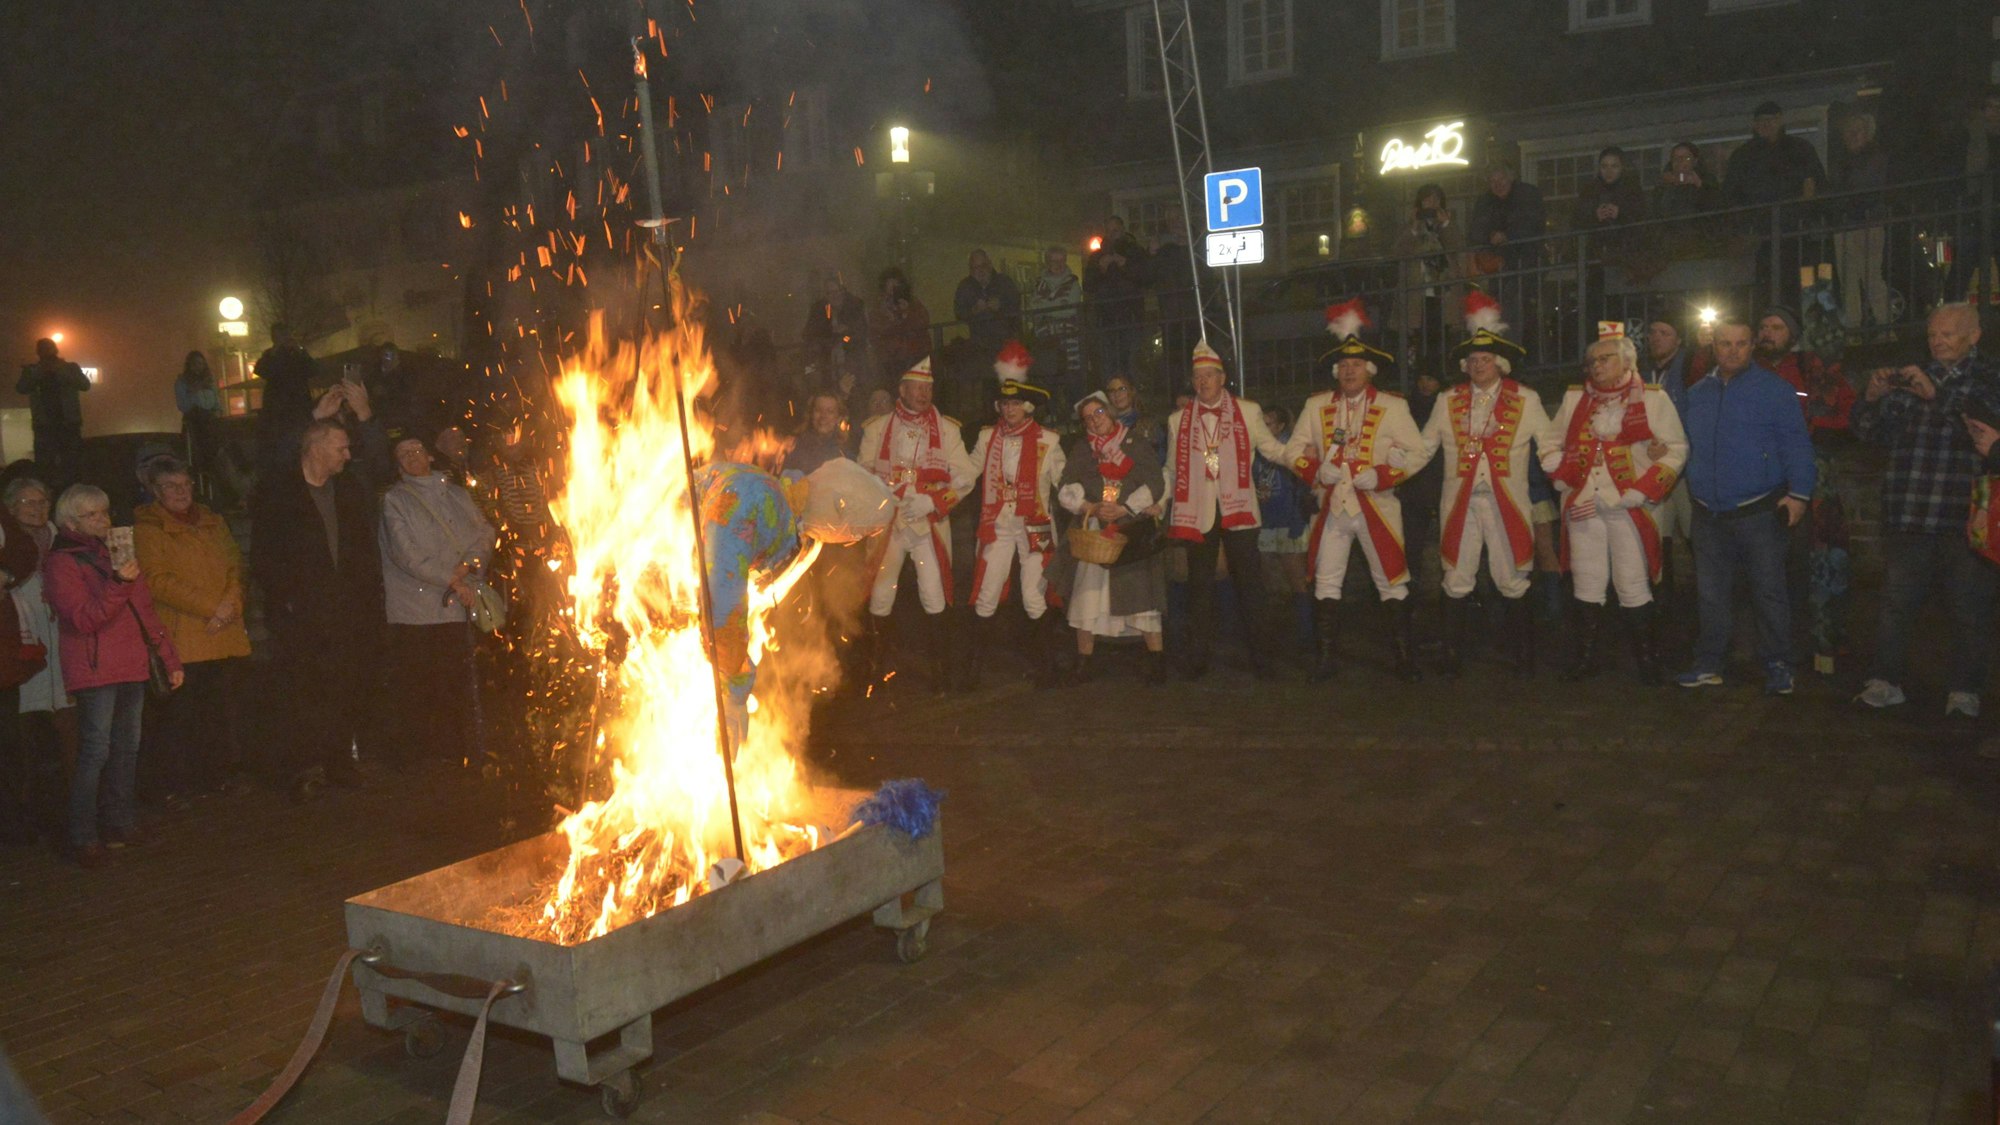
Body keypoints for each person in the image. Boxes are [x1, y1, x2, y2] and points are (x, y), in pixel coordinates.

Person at [1851, 304, 2000, 717]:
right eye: (1933, 334)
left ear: (1974, 336)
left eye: (1948, 334)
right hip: (1910, 511)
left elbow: (1987, 426)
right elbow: (1868, 434)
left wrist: (1938, 395)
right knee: (1897, 604)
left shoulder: (1987, 377)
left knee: (1969, 609)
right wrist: (1872, 398)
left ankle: (1965, 690)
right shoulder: (1913, 376)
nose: (1937, 341)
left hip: (1963, 516)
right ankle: (1886, 680)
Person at [43, 484, 184, 867]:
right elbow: (85, 618)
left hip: (131, 662)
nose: (103, 520)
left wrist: (168, 658)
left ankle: (120, 822)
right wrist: (119, 583)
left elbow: (145, 611)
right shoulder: (62, 563)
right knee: (95, 751)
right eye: (92, 515)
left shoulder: (114, 551)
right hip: (96, 668)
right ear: (70, 521)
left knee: (127, 748)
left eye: (105, 512)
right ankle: (82, 835)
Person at [1284, 304, 1427, 682]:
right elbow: (1291, 450)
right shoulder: (1316, 406)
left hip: (1376, 506)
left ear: (1370, 370)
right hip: (1332, 508)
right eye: (1344, 366)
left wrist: (1383, 475)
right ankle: (1326, 659)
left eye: (1357, 365)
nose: (1350, 371)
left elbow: (1419, 452)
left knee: (1391, 581)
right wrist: (1316, 470)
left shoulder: (1393, 405)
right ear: (1336, 371)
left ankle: (1403, 658)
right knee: (1327, 581)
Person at [1674, 318, 1816, 694]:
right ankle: (1710, 661)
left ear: (1752, 345)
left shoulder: (1775, 391)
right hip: (1709, 510)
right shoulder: (1698, 393)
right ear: (1713, 348)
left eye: (1740, 343)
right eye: (1725, 344)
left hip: (1758, 510)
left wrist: (1799, 493)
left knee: (1768, 590)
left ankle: (1778, 662)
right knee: (1711, 592)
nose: (1732, 351)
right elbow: (1685, 443)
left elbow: (1796, 444)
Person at [252, 419, 384, 797]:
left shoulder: (348, 491)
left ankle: (339, 763)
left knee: (344, 688)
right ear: (316, 448)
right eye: (340, 447)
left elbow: (363, 552)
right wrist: (288, 602)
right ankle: (302, 767)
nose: (347, 454)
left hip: (346, 613)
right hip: (302, 616)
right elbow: (266, 555)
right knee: (302, 692)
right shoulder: (279, 494)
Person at [1546, 335, 1689, 685]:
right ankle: (1586, 658)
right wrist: (1562, 477)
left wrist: (1641, 492)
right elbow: (1550, 443)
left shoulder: (1653, 399)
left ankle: (1647, 661)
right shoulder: (1574, 397)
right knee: (1586, 581)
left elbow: (1676, 449)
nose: (1596, 366)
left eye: (1605, 358)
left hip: (1630, 507)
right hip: (1583, 506)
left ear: (1627, 362)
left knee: (1633, 584)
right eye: (1592, 361)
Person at [1420, 296, 1551, 677]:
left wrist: (1564, 469)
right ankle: (1452, 656)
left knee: (1511, 576)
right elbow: (1425, 446)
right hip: (1460, 502)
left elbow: (1550, 443)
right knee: (1456, 576)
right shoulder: (1447, 400)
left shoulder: (1526, 399)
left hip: (1504, 501)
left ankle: (1523, 656)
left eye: (1486, 360)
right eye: (1473, 361)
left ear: (1500, 364)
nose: (1478, 366)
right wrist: (1390, 464)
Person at [1164, 341, 1287, 679]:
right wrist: (1157, 500)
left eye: (1209, 376)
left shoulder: (1248, 411)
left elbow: (1272, 449)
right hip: (1197, 510)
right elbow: (1172, 469)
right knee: (1199, 586)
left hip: (1240, 508)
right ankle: (1197, 657)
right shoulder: (1177, 420)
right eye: (1197, 377)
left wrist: (1305, 459)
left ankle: (1262, 658)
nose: (1202, 382)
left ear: (1223, 379)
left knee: (1250, 583)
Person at [856, 357, 978, 693]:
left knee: (934, 594)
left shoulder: (948, 429)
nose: (924, 393)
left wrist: (935, 502)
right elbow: (863, 470)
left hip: (928, 523)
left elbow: (966, 475)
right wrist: (887, 498)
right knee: (881, 594)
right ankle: (875, 668)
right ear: (902, 390)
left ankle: (941, 671)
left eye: (929, 388)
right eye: (917, 387)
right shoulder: (877, 428)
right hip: (889, 523)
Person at [132, 458, 249, 802]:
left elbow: (235, 566)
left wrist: (230, 606)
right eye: (171, 486)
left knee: (220, 712)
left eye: (185, 484)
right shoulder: (148, 529)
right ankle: (175, 784)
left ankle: (219, 774)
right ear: (155, 491)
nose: (181, 492)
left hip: (222, 634)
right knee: (179, 717)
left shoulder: (214, 522)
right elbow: (157, 581)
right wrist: (213, 609)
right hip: (184, 637)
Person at [379, 435, 495, 770]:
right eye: (404, 453)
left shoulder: (458, 495)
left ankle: (454, 747)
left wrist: (468, 566)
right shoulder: (395, 501)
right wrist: (452, 579)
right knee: (419, 681)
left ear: (430, 455)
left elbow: (484, 534)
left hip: (459, 602)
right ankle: (416, 754)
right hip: (416, 609)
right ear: (397, 463)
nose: (412, 456)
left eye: (417, 450)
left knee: (454, 680)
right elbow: (406, 554)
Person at [966, 351, 1065, 687]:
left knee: (1033, 594)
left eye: (1015, 403)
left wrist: (1088, 501)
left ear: (1028, 407)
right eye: (1004, 404)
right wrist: (937, 489)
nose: (1009, 409)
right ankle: (973, 671)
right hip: (997, 525)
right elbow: (967, 473)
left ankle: (1047, 669)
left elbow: (1066, 484)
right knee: (987, 592)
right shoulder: (985, 437)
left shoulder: (1049, 442)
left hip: (1034, 526)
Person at [1056, 392, 1168, 682]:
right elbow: (1066, 486)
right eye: (1088, 418)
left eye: (1099, 413)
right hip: (1094, 531)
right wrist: (1089, 507)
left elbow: (1155, 481)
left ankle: (1156, 662)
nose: (1095, 421)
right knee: (1087, 598)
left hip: (1131, 529)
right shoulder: (1083, 449)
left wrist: (1125, 507)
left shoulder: (1135, 442)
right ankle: (1084, 662)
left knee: (1141, 597)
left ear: (1110, 413)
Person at [5, 480, 72, 845]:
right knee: (27, 723)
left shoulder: (56, 536)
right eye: (27, 501)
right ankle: (29, 802)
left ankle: (61, 793)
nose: (36, 507)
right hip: (25, 641)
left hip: (57, 634)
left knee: (60, 718)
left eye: (42, 500)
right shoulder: (10, 543)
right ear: (11, 508)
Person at [1254, 404, 1314, 657]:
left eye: (1268, 424)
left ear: (1279, 427)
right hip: (1266, 523)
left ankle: (1307, 635)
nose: (1263, 429)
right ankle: (1275, 636)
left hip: (1290, 521)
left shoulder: (1290, 449)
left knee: (1298, 581)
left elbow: (1302, 486)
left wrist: (1297, 521)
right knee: (1268, 583)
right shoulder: (1257, 452)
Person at [1831, 113, 1891, 333]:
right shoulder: (1841, 161)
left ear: (1868, 133)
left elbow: (1865, 187)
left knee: (1871, 276)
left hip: (1868, 222)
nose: (1853, 135)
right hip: (1845, 224)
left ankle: (1884, 325)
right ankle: (1854, 328)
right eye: (1849, 131)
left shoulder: (1876, 157)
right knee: (1848, 279)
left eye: (1858, 130)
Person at [1391, 183, 1464, 363]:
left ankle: (1444, 369)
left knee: (1444, 333)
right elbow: (1398, 252)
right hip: (1418, 291)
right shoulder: (1409, 228)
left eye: (1436, 199)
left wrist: (1446, 223)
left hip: (1443, 291)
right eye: (1428, 199)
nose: (1432, 204)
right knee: (1417, 334)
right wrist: (1414, 227)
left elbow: (1459, 246)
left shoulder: (1447, 226)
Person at [17, 339, 90, 489]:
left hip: (68, 423)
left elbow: (85, 385)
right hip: (45, 425)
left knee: (72, 465)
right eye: (43, 349)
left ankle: (75, 493)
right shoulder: (33, 370)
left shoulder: (69, 368)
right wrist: (37, 373)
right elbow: (21, 388)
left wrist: (60, 371)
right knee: (45, 467)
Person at [1725, 101, 1826, 207]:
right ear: (1754, 125)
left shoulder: (1800, 148)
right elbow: (1731, 193)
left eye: (1771, 119)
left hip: (1796, 217)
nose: (1766, 124)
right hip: (1755, 217)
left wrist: (1805, 208)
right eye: (1760, 121)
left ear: (1780, 121)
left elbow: (1813, 183)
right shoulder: (1742, 156)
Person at [1085, 217, 1149, 383]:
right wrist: (1101, 269)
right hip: (1105, 318)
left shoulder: (1135, 251)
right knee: (1109, 365)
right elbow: (1088, 285)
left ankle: (1134, 402)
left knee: (1131, 363)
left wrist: (1125, 265)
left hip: (1131, 316)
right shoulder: (1096, 257)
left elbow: (1146, 278)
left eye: (1116, 230)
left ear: (1122, 230)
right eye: (1109, 230)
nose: (1112, 235)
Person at [251, 322, 319, 476]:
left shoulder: (297, 353)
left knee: (302, 440)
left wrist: (300, 350)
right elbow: (261, 370)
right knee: (281, 446)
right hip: (277, 410)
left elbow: (314, 369)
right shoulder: (270, 355)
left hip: (299, 406)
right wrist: (275, 352)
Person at [1027, 246, 1087, 405]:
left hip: (1069, 338)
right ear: (1047, 262)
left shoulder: (1072, 283)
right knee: (1048, 374)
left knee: (1072, 374)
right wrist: (1057, 305)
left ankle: (1075, 410)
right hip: (1045, 338)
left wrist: (1047, 308)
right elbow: (1034, 308)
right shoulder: (1039, 284)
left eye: (1061, 261)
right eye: (1054, 261)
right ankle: (1051, 411)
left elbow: (1069, 309)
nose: (1058, 265)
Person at [953, 251, 1022, 367]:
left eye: (983, 266)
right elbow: (959, 313)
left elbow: (1017, 304)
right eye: (975, 267)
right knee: (987, 378)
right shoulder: (965, 287)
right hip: (980, 345)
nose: (980, 271)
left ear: (990, 264)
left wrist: (1001, 306)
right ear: (970, 269)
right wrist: (974, 310)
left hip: (1006, 342)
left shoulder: (1004, 282)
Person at [866, 268, 931, 390]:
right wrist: (893, 321)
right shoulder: (878, 309)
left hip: (915, 356)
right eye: (889, 287)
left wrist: (907, 312)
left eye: (896, 287)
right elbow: (877, 332)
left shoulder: (912, 303)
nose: (892, 292)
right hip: (892, 361)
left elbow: (924, 321)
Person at [802, 275, 868, 380]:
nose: (835, 295)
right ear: (825, 295)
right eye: (830, 292)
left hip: (851, 348)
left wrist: (846, 331)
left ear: (843, 291)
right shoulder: (819, 308)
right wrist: (828, 333)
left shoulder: (855, 305)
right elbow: (809, 333)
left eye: (837, 291)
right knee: (811, 366)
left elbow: (861, 331)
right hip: (826, 352)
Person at [782, 391, 851, 478]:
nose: (823, 416)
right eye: (818, 410)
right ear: (811, 414)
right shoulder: (793, 445)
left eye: (830, 412)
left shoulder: (844, 453)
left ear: (839, 418)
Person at [1655, 141, 1722, 220]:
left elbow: (1717, 208)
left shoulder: (1707, 179)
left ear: (1695, 161)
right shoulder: (1665, 182)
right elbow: (1657, 212)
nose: (1680, 162)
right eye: (1675, 158)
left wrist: (1699, 184)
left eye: (1686, 158)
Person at [1105, 375, 1165, 455]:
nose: (1117, 395)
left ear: (1132, 391)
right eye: (1112, 391)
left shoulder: (1147, 423)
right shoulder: (1104, 425)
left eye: (1122, 389)